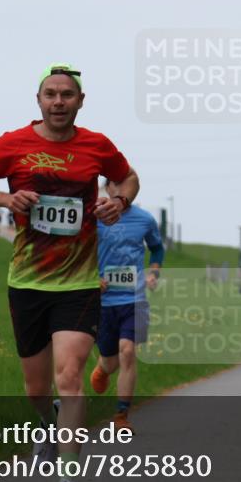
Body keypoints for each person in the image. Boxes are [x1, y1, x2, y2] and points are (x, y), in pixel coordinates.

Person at [0, 63, 139, 482]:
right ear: (38, 101)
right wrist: (5, 200)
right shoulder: (12, 143)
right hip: (27, 282)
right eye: (50, 94)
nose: (59, 101)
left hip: (78, 283)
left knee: (71, 374)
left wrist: (120, 201)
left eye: (67, 95)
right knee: (37, 389)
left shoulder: (98, 145)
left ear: (81, 101)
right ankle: (49, 420)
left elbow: (130, 177)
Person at [90, 179, 165, 434]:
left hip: (134, 300)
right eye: (115, 185)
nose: (120, 190)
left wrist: (154, 272)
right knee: (111, 362)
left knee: (128, 351)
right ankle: (101, 369)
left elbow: (157, 249)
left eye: (125, 184)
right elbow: (79, 252)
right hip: (104, 302)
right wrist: (91, 278)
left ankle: (121, 416)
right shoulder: (94, 216)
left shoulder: (144, 220)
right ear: (107, 189)